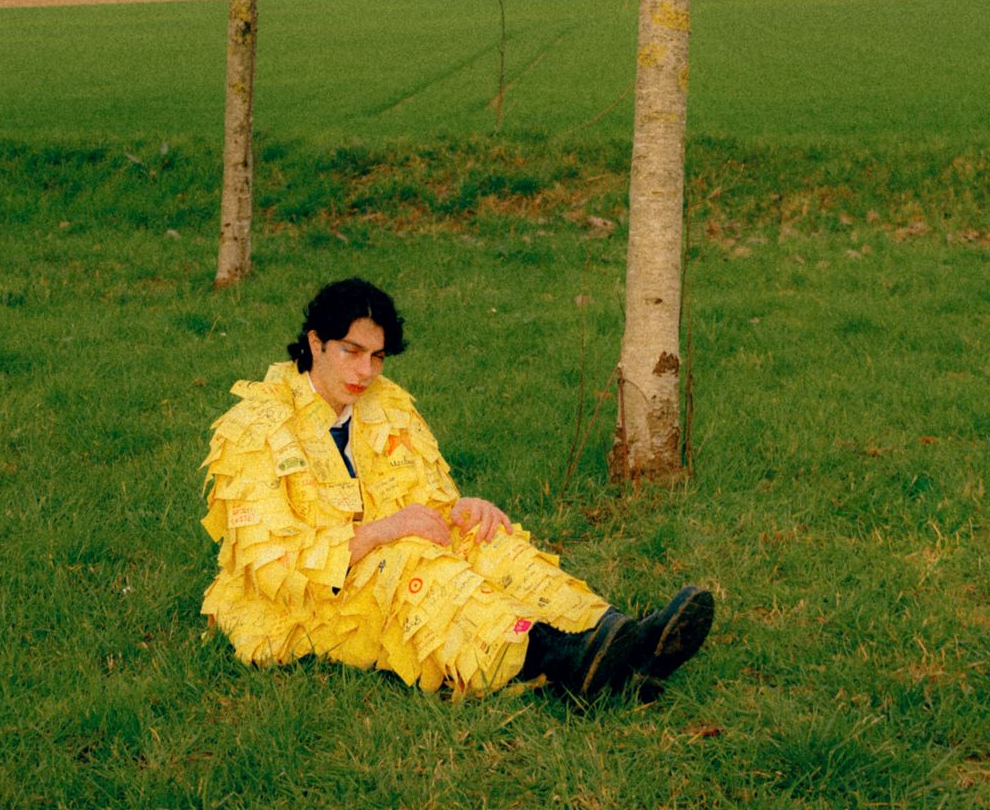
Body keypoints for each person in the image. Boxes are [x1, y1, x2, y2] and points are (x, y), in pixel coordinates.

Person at [201, 276, 714, 702]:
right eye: (351, 352)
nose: (365, 372)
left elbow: (424, 501)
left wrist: (461, 508)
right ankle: (563, 656)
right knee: (412, 563)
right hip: (308, 593)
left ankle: (619, 637)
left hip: (388, 551)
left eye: (377, 357)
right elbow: (270, 565)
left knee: (486, 538)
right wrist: (384, 532)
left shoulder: (387, 403)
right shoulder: (255, 426)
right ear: (316, 343)